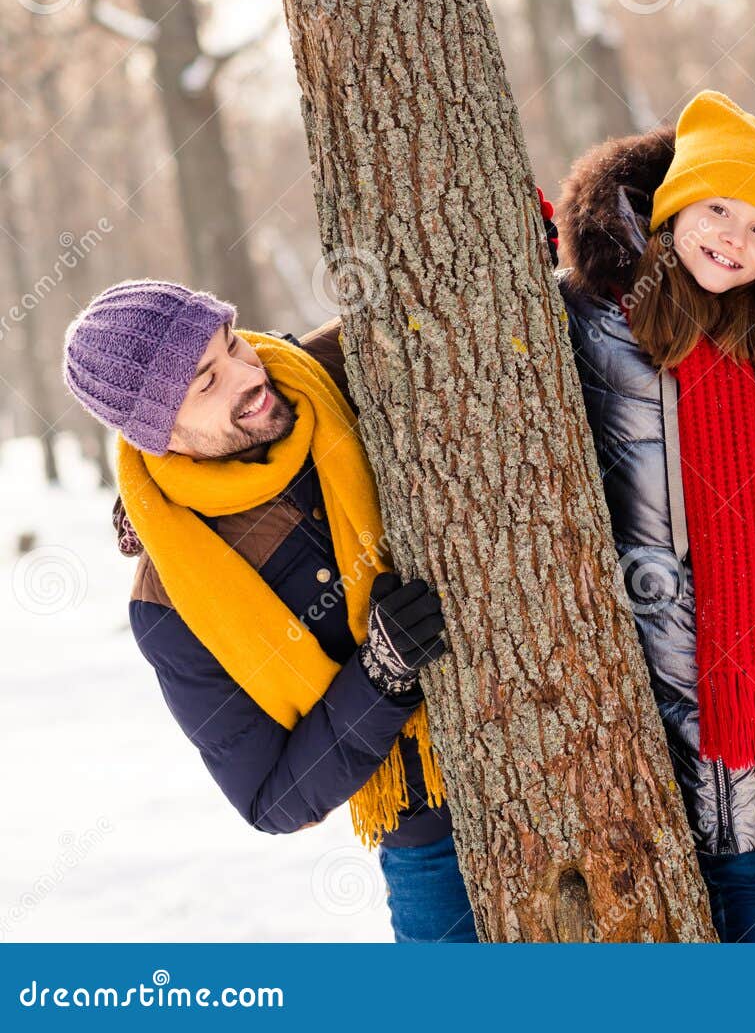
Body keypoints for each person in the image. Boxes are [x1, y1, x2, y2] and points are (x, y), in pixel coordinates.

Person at [61, 280, 475, 942]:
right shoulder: (169, 602)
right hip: (431, 837)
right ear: (159, 432)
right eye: (207, 380)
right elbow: (270, 796)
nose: (250, 375)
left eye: (233, 343)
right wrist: (380, 676)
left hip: (578, 746)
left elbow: (466, 291)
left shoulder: (322, 373)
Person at [554, 90, 755, 942]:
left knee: (749, 893)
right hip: (624, 689)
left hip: (748, 683)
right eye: (716, 208)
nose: (733, 239)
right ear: (670, 208)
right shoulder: (591, 314)